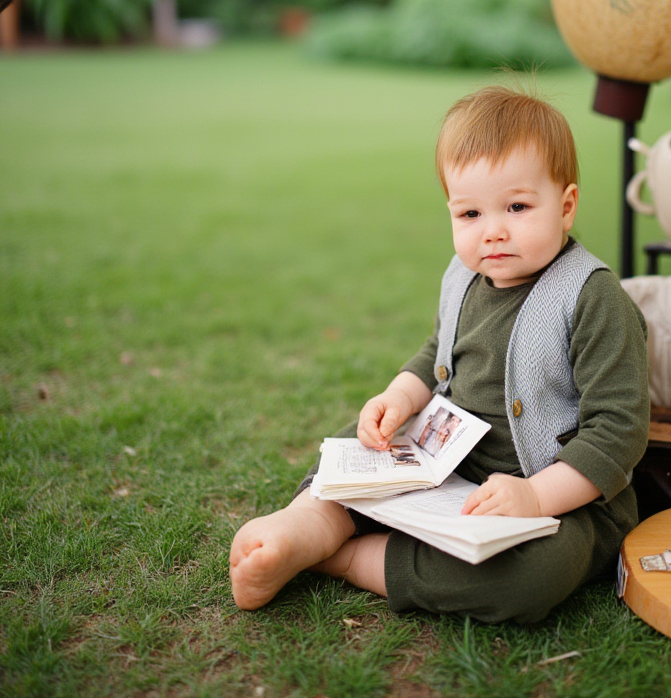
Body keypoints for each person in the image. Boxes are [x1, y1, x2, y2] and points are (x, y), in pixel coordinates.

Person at [229, 85, 649, 623]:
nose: (493, 232)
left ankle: (351, 558)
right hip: (452, 458)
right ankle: (307, 525)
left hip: (562, 494)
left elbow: (618, 430)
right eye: (470, 213)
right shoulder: (464, 276)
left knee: (533, 574)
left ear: (565, 206)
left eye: (517, 207)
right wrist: (400, 396)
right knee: (362, 443)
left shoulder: (592, 298)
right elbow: (439, 351)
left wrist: (535, 498)